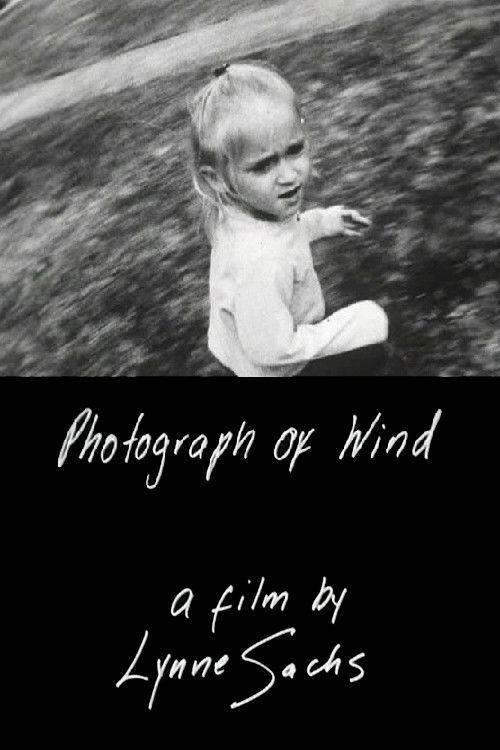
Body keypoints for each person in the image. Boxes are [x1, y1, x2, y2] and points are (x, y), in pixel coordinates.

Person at [188, 61, 407, 376]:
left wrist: (326, 222)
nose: (289, 175)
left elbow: (287, 232)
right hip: (278, 367)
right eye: (263, 165)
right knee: (379, 358)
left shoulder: (244, 210)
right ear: (217, 179)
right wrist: (358, 323)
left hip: (252, 344)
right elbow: (273, 350)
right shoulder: (259, 262)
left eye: (294, 149)